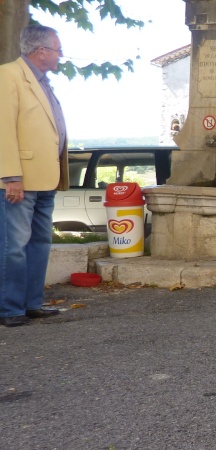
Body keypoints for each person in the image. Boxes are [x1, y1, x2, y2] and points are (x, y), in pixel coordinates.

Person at [0, 25, 70, 327]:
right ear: (41, 51)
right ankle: (9, 309)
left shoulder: (43, 81)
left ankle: (31, 303)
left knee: (39, 242)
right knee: (13, 246)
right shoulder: (8, 76)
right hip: (21, 179)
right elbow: (3, 129)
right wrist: (10, 176)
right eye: (57, 49)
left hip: (45, 177)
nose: (60, 55)